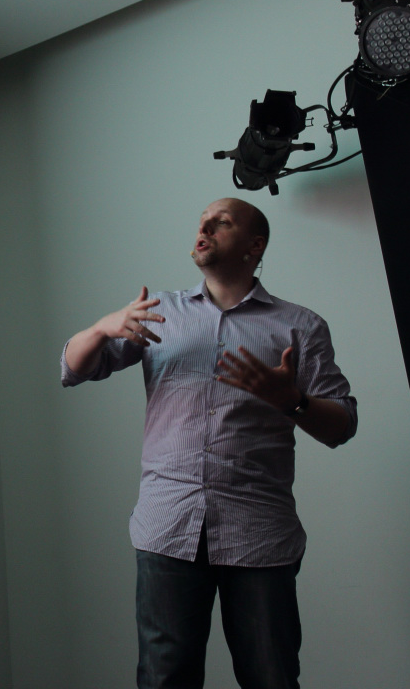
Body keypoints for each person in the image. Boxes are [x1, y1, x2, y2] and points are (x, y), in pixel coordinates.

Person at [60, 197, 357, 689]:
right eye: (202, 221)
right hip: (167, 525)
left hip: (258, 532)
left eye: (222, 222)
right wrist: (99, 329)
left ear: (255, 245)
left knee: (271, 678)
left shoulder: (300, 327)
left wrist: (292, 401)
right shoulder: (158, 313)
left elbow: (342, 425)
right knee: (164, 678)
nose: (205, 227)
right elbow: (73, 369)